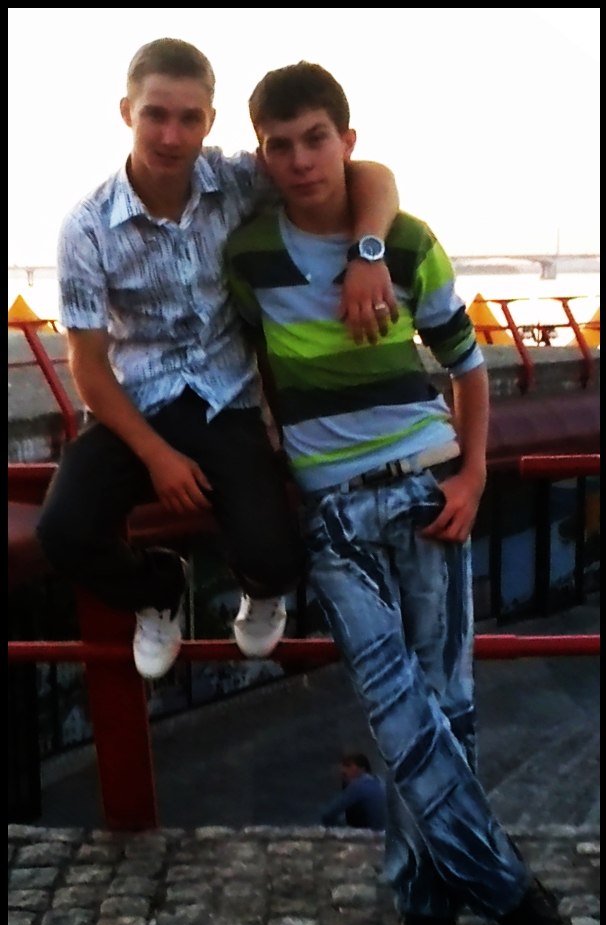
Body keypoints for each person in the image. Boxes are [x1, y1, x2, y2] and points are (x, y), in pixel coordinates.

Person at [225, 60, 580, 925]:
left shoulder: (406, 241)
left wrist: (473, 475)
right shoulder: (249, 257)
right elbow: (250, 366)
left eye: (316, 138)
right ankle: (515, 899)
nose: (301, 160)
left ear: (347, 139)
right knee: (396, 710)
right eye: (280, 145)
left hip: (426, 490)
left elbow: (467, 368)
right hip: (334, 511)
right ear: (263, 155)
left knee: (445, 708)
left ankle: (424, 912)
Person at [35, 38, 402, 681]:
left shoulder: (235, 182)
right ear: (127, 111)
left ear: (210, 120)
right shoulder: (87, 226)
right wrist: (157, 456)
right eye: (156, 114)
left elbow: (367, 173)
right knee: (63, 532)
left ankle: (257, 590)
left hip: (225, 401)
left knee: (279, 558)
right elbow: (87, 364)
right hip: (136, 407)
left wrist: (367, 252)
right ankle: (158, 587)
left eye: (189, 118)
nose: (171, 135)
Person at [321, 752, 387, 831]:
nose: (343, 770)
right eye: (343, 766)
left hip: (368, 835)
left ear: (362, 769)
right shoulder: (379, 782)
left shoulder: (359, 785)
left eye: (348, 765)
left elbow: (327, 815)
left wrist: (343, 828)